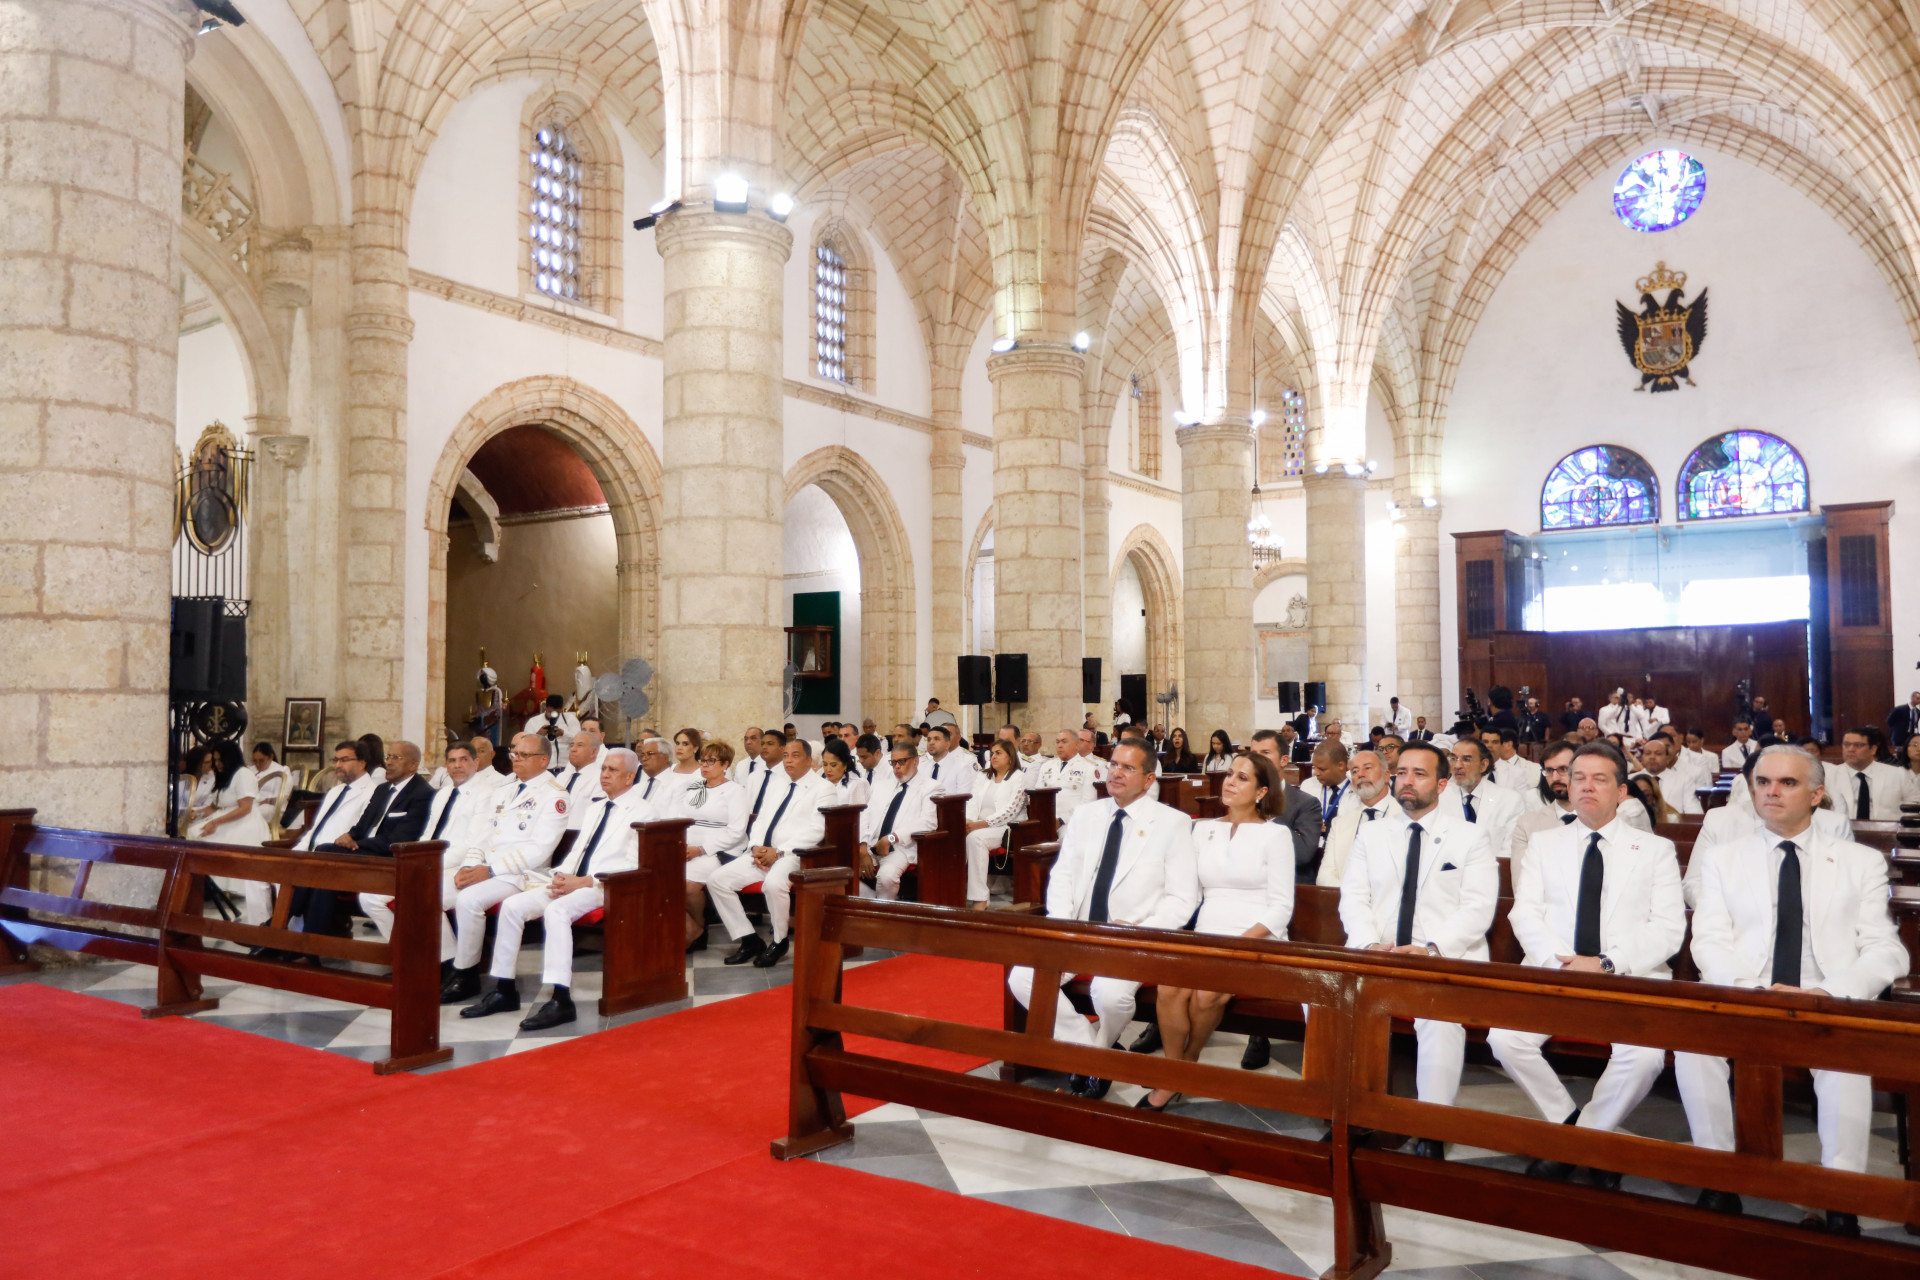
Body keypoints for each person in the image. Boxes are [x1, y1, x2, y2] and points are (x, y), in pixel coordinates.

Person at [1675, 745, 1908, 1229]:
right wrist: (1750, 989)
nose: (1772, 792)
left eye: (1787, 783)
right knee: (1694, 1048)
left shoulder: (1858, 861)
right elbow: (1709, 940)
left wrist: (1831, 992)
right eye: (1763, 782)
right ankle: (1719, 1178)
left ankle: (1840, 1194)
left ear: (1817, 795)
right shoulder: (1723, 859)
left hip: (1825, 995)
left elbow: (1887, 950)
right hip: (1745, 992)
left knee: (1844, 1061)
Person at [1490, 742, 1685, 1189]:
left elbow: (1668, 928)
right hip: (1557, 971)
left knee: (1644, 1057)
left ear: (1621, 792)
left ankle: (1583, 1138)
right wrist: (1561, 963)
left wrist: (1607, 964)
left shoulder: (1653, 850)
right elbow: (1525, 913)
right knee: (1505, 1037)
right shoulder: (1545, 843)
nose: (1586, 787)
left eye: (1600, 779)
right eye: (1578, 777)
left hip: (1628, 976)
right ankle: (1575, 1128)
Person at [1007, 741, 1197, 1099]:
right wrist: (1062, 923)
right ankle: (1093, 1054)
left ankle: (1097, 1052)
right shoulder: (1087, 815)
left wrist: (1141, 931)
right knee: (1022, 977)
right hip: (1077, 931)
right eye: (1113, 765)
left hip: (1131, 938)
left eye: (1127, 767)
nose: (1115, 773)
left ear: (1149, 779)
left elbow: (1184, 897)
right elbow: (1063, 875)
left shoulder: (1172, 823)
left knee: (1108, 994)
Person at [1339, 742, 1497, 1157]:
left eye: (1419, 774)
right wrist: (1370, 944)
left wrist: (1430, 949)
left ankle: (1431, 1128)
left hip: (1441, 959)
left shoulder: (1470, 836)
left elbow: (1478, 908)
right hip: (1378, 955)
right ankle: (1347, 1117)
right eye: (1402, 772)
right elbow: (1353, 897)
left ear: (1442, 784)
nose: (1406, 781)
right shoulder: (1373, 833)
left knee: (1438, 1021)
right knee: (1327, 1003)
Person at [1138, 751, 1294, 1112]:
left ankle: (1188, 1063)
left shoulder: (1276, 835)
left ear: (1261, 792)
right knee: (1169, 988)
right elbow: (1187, 893)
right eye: (1229, 774)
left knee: (1207, 995)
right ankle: (1175, 1072)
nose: (1230, 782)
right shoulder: (1203, 829)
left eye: (1242, 777)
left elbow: (1281, 908)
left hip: (1257, 938)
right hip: (1207, 934)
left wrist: (1237, 943)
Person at [461, 748, 661, 1029]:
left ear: (630, 777)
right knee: (513, 906)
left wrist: (584, 881)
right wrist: (560, 876)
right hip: (573, 880)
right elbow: (578, 852)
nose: (604, 775)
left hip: (605, 886)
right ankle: (504, 990)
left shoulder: (645, 812)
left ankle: (561, 999)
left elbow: (633, 865)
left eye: (613, 770)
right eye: (603, 769)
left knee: (557, 911)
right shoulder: (596, 807)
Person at [440, 734, 573, 1003]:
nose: (516, 759)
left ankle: (466, 973)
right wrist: (470, 865)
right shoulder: (504, 790)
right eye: (514, 753)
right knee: (433, 892)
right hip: (487, 867)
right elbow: (484, 835)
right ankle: (445, 964)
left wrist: (489, 871)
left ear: (543, 760)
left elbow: (539, 849)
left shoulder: (554, 795)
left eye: (524, 755)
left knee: (469, 900)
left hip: (521, 874)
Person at [360, 740, 487, 976]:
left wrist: (427, 865)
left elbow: (473, 842)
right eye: (451, 761)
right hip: (428, 863)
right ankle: (410, 957)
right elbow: (428, 834)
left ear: (476, 763)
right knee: (369, 897)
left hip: (459, 866)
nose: (457, 766)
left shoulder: (486, 794)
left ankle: (445, 965)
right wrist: (414, 859)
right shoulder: (443, 794)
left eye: (463, 760)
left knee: (424, 896)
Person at [706, 737, 833, 968]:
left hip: (795, 855)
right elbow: (761, 818)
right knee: (717, 880)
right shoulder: (777, 784)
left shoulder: (824, 788)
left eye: (795, 756)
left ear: (809, 760)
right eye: (785, 756)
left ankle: (779, 941)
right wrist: (756, 846)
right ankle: (749, 939)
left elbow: (817, 830)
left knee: (773, 885)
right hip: (763, 851)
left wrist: (779, 851)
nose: (788, 761)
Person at [300, 740, 436, 940]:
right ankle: (311, 938)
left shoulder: (423, 794)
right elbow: (362, 825)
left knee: (323, 855)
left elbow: (400, 839)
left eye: (396, 757)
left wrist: (356, 844)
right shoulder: (382, 789)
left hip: (388, 861)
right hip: (364, 853)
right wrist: (349, 836)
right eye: (388, 757)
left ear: (413, 765)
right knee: (322, 868)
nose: (389, 762)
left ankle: (306, 937)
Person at [679, 741, 751, 951]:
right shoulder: (694, 789)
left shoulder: (735, 791)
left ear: (725, 764)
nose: (705, 765)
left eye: (711, 761)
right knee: (663, 881)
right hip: (690, 849)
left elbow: (736, 832)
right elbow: (681, 818)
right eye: (702, 760)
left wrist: (701, 849)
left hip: (720, 851)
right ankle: (692, 930)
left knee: (688, 886)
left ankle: (699, 929)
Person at [860, 740, 940, 902]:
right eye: (893, 762)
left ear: (915, 761)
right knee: (844, 871)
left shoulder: (931, 787)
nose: (896, 767)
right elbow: (864, 815)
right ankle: (871, 906)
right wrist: (862, 847)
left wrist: (891, 838)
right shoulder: (881, 785)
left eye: (902, 762)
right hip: (872, 843)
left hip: (901, 846)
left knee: (887, 877)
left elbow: (928, 822)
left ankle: (885, 912)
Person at [1247, 729, 1325, 880]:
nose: (1257, 760)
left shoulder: (1306, 804)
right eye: (1254, 754)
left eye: (1265, 753)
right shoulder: (1244, 799)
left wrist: (1261, 818)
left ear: (1283, 760)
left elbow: (1302, 854)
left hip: (1289, 883)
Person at [1316, 748, 1398, 887]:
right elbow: (1325, 876)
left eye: (1368, 768)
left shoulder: (1406, 818)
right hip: (1346, 896)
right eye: (1354, 771)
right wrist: (1354, 894)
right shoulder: (1340, 823)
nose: (1360, 774)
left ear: (1386, 775)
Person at [963, 741, 1029, 908]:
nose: (993, 757)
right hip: (977, 825)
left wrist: (981, 824)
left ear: (1010, 757)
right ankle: (952, 893)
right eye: (992, 753)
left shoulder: (1019, 777)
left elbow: (1011, 811)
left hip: (1007, 828)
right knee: (955, 835)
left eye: (999, 753)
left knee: (975, 838)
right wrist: (968, 821)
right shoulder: (983, 776)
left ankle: (980, 898)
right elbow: (972, 802)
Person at [1441, 737, 1521, 861]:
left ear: (1483, 765)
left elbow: (1510, 850)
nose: (1457, 766)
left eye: (1466, 759)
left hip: (1493, 869)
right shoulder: (1439, 798)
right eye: (1453, 758)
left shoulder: (1509, 800)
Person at [1825, 726, 1905, 820]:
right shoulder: (1828, 776)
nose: (1851, 749)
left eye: (1858, 745)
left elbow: (1911, 807)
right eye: (1846, 744)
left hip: (1887, 827)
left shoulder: (1897, 774)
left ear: (1873, 749)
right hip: (1840, 827)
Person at [1037, 728, 1101, 821]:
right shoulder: (1046, 766)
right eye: (1057, 742)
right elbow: (1038, 796)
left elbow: (1088, 801)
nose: (1059, 746)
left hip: (1073, 822)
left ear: (1077, 745)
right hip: (1046, 820)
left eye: (1064, 742)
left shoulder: (1089, 768)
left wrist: (1062, 820)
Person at [924, 723, 976, 795]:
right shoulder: (921, 766)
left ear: (947, 744)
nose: (931, 743)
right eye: (929, 740)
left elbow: (963, 798)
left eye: (936, 739)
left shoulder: (961, 767)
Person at [249, 742, 291, 830]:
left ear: (271, 757)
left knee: (250, 814)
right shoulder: (250, 770)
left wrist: (266, 800)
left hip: (271, 806)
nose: (258, 764)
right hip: (251, 803)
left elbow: (284, 795)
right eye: (255, 761)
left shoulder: (282, 771)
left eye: (261, 761)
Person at [550, 731, 603, 802]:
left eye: (580, 745)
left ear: (593, 752)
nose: (573, 749)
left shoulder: (600, 780)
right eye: (572, 745)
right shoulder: (562, 777)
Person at [1487, 728, 1542, 794]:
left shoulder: (1535, 769)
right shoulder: (1485, 767)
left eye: (1495, 742)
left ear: (1508, 745)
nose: (1489, 746)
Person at [819, 737, 869, 809]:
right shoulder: (820, 782)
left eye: (833, 765)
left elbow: (860, 813)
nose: (828, 769)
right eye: (825, 764)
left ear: (845, 765)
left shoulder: (856, 784)